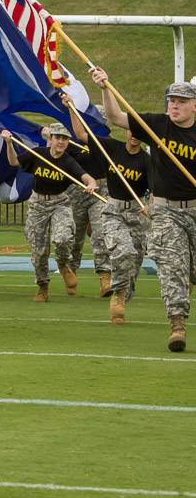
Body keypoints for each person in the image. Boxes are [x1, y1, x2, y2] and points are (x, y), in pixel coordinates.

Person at [91, 70, 196, 352]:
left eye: (181, 101)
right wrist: (105, 88)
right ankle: (177, 324)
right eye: (171, 100)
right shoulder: (157, 125)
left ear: (194, 105)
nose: (174, 105)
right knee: (172, 267)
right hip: (165, 211)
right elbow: (116, 118)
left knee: (191, 272)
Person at [63, 93, 150, 324]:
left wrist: (149, 207)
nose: (134, 136)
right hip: (112, 209)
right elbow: (82, 135)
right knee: (123, 252)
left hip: (136, 212)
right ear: (126, 131)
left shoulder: (148, 161)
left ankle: (124, 292)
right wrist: (71, 108)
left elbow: (156, 190)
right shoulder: (112, 148)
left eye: (139, 132)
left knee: (135, 260)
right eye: (132, 130)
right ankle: (117, 296)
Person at [1, 123, 97, 302]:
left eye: (65, 139)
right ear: (50, 140)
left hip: (60, 203)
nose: (61, 142)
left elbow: (86, 177)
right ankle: (43, 286)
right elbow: (13, 162)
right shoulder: (38, 154)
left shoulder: (68, 161)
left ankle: (63, 264)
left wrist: (91, 184)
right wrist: (8, 144)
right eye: (57, 138)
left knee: (62, 238)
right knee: (39, 251)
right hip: (38, 205)